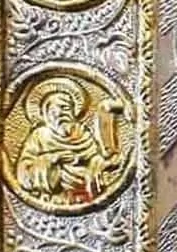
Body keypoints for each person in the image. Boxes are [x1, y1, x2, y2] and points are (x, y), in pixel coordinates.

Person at [14, 76, 126, 207]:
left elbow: (95, 158)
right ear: (45, 114)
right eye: (53, 110)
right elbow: (24, 172)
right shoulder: (40, 136)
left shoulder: (83, 133)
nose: (60, 113)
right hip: (54, 201)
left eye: (65, 107)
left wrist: (96, 165)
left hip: (85, 196)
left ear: (74, 111)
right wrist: (53, 159)